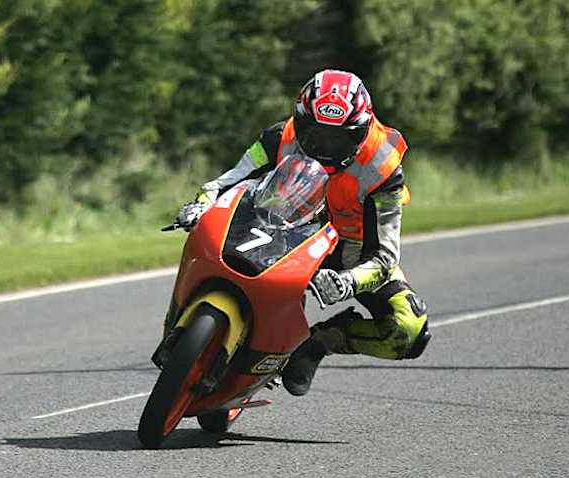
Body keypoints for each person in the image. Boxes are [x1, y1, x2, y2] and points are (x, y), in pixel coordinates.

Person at [177, 69, 431, 396]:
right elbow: (230, 179)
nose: (324, 147)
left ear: (361, 131)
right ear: (299, 120)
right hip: (279, 226)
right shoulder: (280, 135)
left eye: (338, 138)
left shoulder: (383, 166)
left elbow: (384, 255)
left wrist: (348, 281)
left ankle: (320, 342)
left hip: (349, 248)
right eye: (314, 134)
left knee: (409, 329)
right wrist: (201, 202)